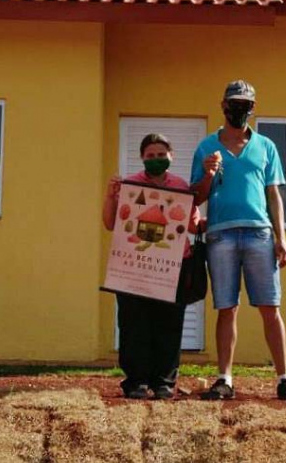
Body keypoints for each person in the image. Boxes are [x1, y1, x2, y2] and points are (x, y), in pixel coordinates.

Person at [191, 79, 286, 402]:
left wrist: (281, 238)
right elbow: (195, 197)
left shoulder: (267, 147)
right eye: (233, 103)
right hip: (220, 234)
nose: (238, 109)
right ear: (223, 106)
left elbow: (274, 194)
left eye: (245, 105)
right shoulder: (206, 148)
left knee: (271, 307)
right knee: (227, 308)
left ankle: (284, 378)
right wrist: (209, 173)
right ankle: (224, 378)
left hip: (259, 233)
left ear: (252, 109)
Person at [103, 133, 201, 400]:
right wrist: (111, 195)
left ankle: (164, 382)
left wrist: (203, 198)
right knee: (134, 323)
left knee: (169, 324)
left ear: (171, 156)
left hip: (174, 265)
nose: (156, 160)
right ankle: (135, 381)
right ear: (142, 158)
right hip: (134, 266)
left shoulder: (181, 185)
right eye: (151, 156)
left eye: (161, 155)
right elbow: (111, 223)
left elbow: (193, 225)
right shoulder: (130, 185)